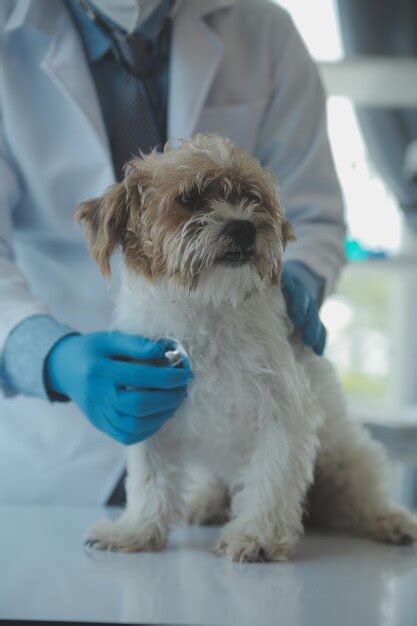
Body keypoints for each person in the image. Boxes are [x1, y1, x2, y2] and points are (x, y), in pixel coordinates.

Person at [0, 0, 346, 505]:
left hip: (231, 450)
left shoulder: (262, 28)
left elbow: (312, 213)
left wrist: (297, 282)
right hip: (53, 452)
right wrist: (51, 357)